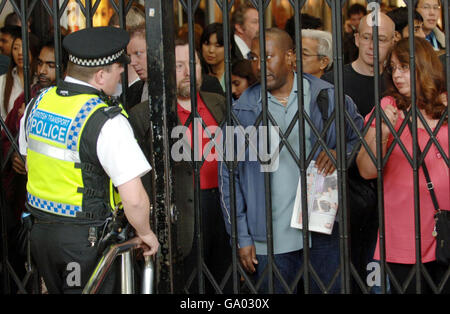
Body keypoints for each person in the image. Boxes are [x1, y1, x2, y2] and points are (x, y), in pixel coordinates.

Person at [218, 28, 363, 294]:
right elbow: (230, 177)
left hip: (322, 232)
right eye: (254, 58)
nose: (260, 66)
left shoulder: (326, 97)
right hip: (268, 239)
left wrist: (337, 153)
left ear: (290, 57)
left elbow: (358, 138)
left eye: (268, 57)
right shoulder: (244, 109)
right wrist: (240, 236)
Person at [18, 26, 159, 294]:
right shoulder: (106, 121)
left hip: (40, 234)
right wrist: (145, 232)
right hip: (86, 241)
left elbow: (29, 160)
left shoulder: (38, 103)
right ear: (100, 74)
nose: (121, 72)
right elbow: (134, 197)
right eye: (118, 67)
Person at [129, 36, 231, 293]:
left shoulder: (218, 103)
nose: (188, 72)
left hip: (222, 209)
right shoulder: (144, 114)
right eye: (178, 66)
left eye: (192, 63)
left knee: (224, 284)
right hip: (179, 214)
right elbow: (137, 178)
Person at [356, 37, 449, 294]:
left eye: (404, 67)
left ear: (423, 65)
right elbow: (366, 169)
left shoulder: (445, 105)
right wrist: (385, 127)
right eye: (393, 68)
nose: (397, 75)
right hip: (405, 231)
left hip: (445, 225)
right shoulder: (389, 107)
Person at [322, 12, 395, 293]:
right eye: (366, 37)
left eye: (381, 39)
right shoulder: (331, 82)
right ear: (356, 38)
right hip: (344, 195)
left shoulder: (397, 82)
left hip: (389, 196)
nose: (372, 45)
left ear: (393, 41)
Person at [0, 34, 40, 120]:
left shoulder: (40, 80)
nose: (20, 52)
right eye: (15, 48)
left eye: (25, 47)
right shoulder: (2, 81)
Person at [200, 23, 226, 93]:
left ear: (229, 47)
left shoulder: (234, 73)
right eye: (207, 44)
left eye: (217, 46)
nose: (211, 50)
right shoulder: (196, 73)